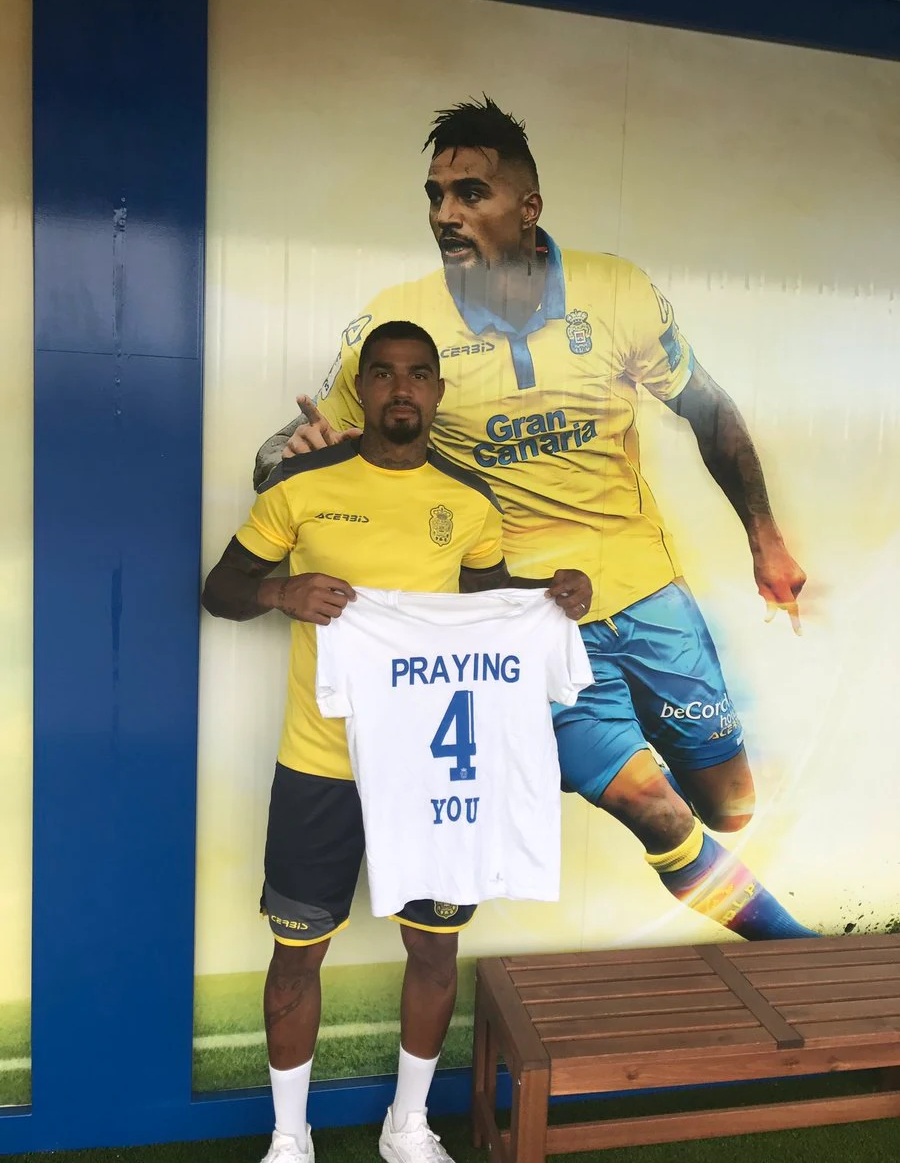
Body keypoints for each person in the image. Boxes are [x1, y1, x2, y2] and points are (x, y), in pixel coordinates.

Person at [254, 97, 816, 941]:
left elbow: (708, 409)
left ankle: (608, 749)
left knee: (730, 807)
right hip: (523, 608)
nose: (446, 214)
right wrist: (295, 454)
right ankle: (810, 969)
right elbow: (283, 452)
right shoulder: (399, 325)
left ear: (528, 207)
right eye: (436, 196)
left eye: (470, 193)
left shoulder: (615, 290)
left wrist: (764, 538)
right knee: (652, 807)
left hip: (645, 587)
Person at [202, 319, 591, 1163]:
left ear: (437, 391)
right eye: (383, 374)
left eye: (418, 375)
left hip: (432, 774)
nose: (402, 390)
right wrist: (280, 591)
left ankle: (406, 1125)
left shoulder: (470, 500)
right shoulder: (299, 489)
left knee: (435, 946)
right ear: (365, 388)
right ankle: (290, 1137)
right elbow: (220, 588)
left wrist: (551, 596)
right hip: (320, 765)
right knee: (297, 955)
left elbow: (488, 612)